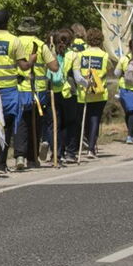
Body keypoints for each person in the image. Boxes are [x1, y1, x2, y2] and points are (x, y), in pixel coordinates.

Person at [0, 10, 35, 173]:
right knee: (7, 124)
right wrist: (31, 61)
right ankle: (1, 163)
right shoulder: (14, 41)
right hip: (9, 88)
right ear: (7, 23)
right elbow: (23, 66)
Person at [13, 17, 60, 170]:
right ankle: (32, 159)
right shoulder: (40, 45)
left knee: (20, 122)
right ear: (34, 29)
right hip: (38, 89)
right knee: (36, 123)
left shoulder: (15, 43)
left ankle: (19, 155)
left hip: (19, 88)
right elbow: (54, 67)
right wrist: (52, 54)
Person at [73, 28, 112, 159]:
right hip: (99, 93)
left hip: (84, 92)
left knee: (84, 119)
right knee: (95, 119)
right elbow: (109, 69)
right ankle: (91, 148)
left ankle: (86, 141)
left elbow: (76, 73)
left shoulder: (81, 55)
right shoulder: (104, 55)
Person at [44, 28, 72, 162]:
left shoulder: (48, 53)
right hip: (64, 92)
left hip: (50, 90)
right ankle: (60, 152)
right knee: (62, 124)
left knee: (51, 124)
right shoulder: (71, 55)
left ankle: (51, 147)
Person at [59, 25, 86, 163]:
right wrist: (88, 84)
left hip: (57, 91)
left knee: (59, 123)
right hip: (70, 91)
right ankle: (70, 152)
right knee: (72, 122)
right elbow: (78, 77)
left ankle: (58, 153)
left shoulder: (54, 53)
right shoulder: (73, 55)